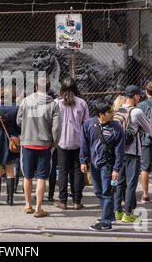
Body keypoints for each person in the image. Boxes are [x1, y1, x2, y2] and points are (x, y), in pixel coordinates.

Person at [16, 78, 61, 218]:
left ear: (36, 87)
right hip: (44, 145)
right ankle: (38, 208)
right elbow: (57, 128)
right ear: (48, 89)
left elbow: (18, 120)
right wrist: (54, 144)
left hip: (27, 144)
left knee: (27, 176)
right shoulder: (53, 105)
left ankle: (28, 204)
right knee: (42, 177)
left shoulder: (25, 101)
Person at [80, 101, 124, 231]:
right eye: (110, 112)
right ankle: (108, 215)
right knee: (99, 191)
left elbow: (119, 151)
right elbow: (84, 144)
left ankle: (106, 222)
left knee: (107, 192)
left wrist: (116, 169)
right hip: (94, 165)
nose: (113, 114)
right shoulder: (89, 124)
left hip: (108, 166)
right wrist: (83, 161)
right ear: (101, 114)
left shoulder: (116, 128)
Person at [114, 85, 151, 223]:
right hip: (132, 152)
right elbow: (149, 128)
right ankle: (128, 213)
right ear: (135, 96)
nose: (140, 98)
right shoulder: (137, 112)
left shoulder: (118, 109)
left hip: (118, 152)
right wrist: (137, 129)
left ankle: (117, 210)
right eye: (139, 96)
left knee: (119, 182)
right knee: (131, 183)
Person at [54, 77, 89, 211]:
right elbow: (86, 123)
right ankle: (76, 201)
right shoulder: (82, 103)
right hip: (78, 141)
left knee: (63, 171)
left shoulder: (56, 103)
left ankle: (63, 201)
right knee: (77, 171)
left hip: (61, 141)